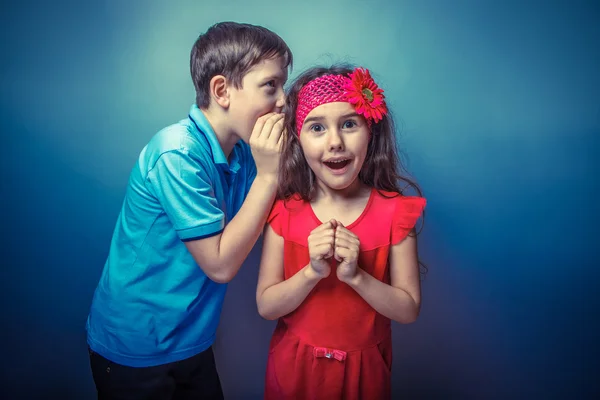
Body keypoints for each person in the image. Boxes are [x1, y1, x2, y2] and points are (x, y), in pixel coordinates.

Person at [86, 21, 293, 399]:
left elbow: (291, 199)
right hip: (136, 344)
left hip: (191, 338)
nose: (283, 100)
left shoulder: (247, 154)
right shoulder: (177, 152)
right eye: (270, 85)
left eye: (284, 86)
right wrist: (267, 178)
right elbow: (220, 265)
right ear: (222, 90)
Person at [256, 65, 427, 399]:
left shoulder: (396, 212)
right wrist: (312, 272)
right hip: (294, 373)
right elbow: (266, 305)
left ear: (371, 132)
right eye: (317, 127)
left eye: (349, 124)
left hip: (364, 377)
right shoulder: (284, 211)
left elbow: (408, 310)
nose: (335, 142)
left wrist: (356, 276)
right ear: (297, 139)